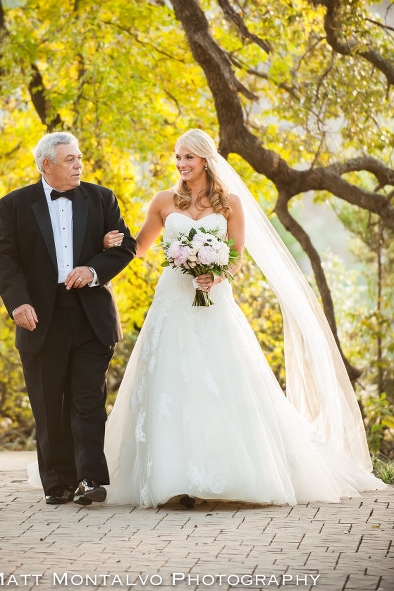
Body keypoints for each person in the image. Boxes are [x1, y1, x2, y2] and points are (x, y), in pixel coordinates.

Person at [102, 128, 387, 508]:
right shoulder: (163, 201)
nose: (181, 164)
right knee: (170, 378)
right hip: (172, 300)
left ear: (205, 159)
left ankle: (221, 474)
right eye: (177, 157)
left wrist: (215, 275)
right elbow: (139, 248)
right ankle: (172, 478)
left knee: (220, 380)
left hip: (214, 303)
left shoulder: (230, 203)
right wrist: (112, 242)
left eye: (188, 157)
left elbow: (236, 259)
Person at [0, 131, 136, 506]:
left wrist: (92, 269)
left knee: (88, 399)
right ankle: (57, 483)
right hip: (40, 318)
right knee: (48, 402)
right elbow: (5, 259)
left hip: (91, 317)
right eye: (70, 159)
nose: (79, 165)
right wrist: (17, 303)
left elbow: (127, 247)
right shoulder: (15, 205)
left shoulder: (102, 198)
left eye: (79, 158)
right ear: (46, 165)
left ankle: (89, 480)